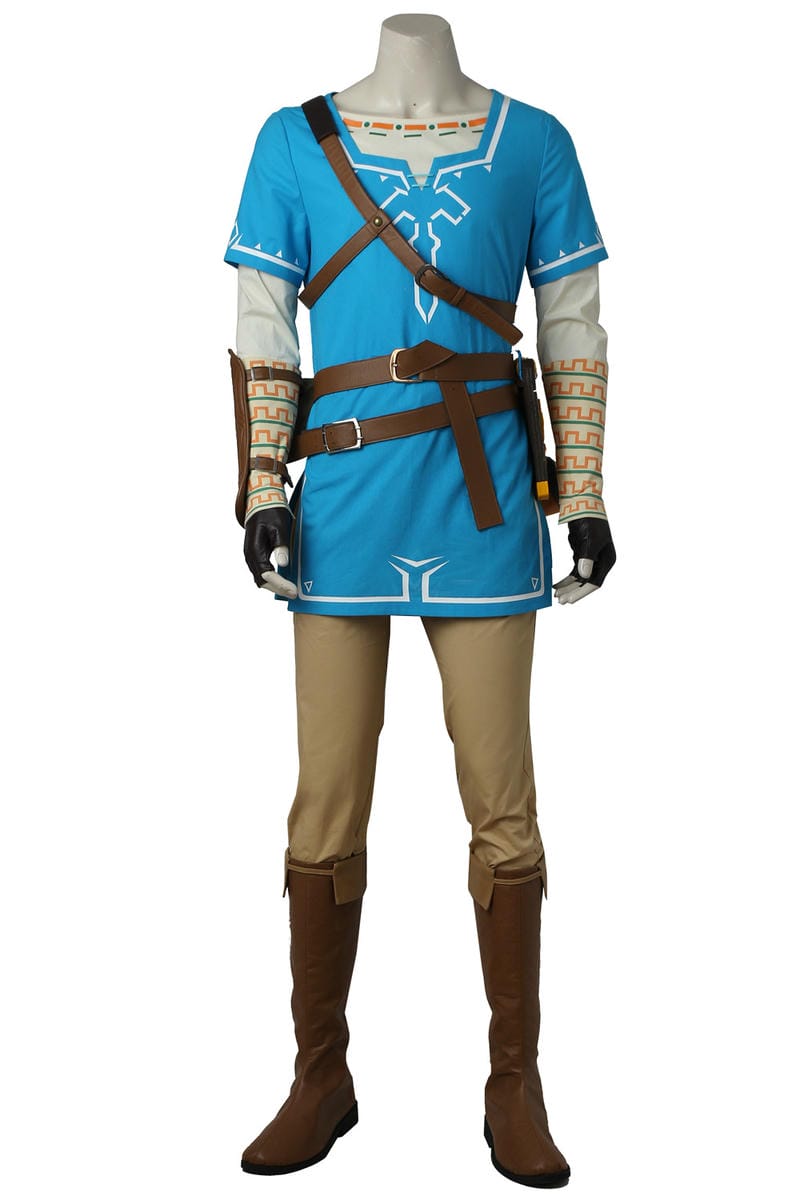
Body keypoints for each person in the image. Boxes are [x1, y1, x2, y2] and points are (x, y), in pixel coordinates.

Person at [224, 12, 615, 1187]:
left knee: (503, 803)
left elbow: (572, 324)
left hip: (483, 503)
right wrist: (260, 487)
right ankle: (319, 1075)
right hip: (342, 508)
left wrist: (584, 493)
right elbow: (260, 325)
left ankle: (514, 1081)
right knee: (325, 803)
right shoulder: (291, 142)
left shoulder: (534, 142)